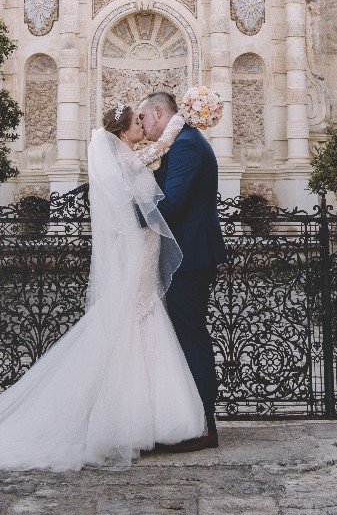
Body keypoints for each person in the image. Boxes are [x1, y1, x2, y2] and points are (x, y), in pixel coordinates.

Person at [0, 105, 201, 471]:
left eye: (145, 120)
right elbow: (159, 150)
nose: (143, 126)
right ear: (123, 132)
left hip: (141, 247)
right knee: (135, 317)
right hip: (135, 249)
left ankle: (142, 416)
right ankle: (131, 419)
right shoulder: (126, 159)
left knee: (139, 318)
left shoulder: (125, 155)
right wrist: (179, 120)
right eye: (137, 121)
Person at [137, 91, 227, 453]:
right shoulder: (181, 142)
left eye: (144, 117)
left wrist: (126, 219)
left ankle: (204, 426)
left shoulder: (188, 144)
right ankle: (188, 420)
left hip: (191, 257)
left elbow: (173, 204)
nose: (142, 126)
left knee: (191, 337)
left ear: (160, 112)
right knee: (183, 336)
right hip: (186, 255)